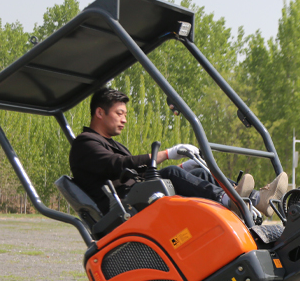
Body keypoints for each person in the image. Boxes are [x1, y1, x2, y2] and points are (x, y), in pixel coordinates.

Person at [69, 87, 287, 218]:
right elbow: (119, 164)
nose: (124, 119)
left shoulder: (106, 142)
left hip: (136, 196)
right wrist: (167, 154)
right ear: (99, 112)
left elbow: (134, 169)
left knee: (199, 173)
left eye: (124, 114)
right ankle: (232, 201)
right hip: (122, 207)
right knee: (171, 173)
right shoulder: (85, 144)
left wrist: (185, 166)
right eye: (119, 113)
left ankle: (256, 199)